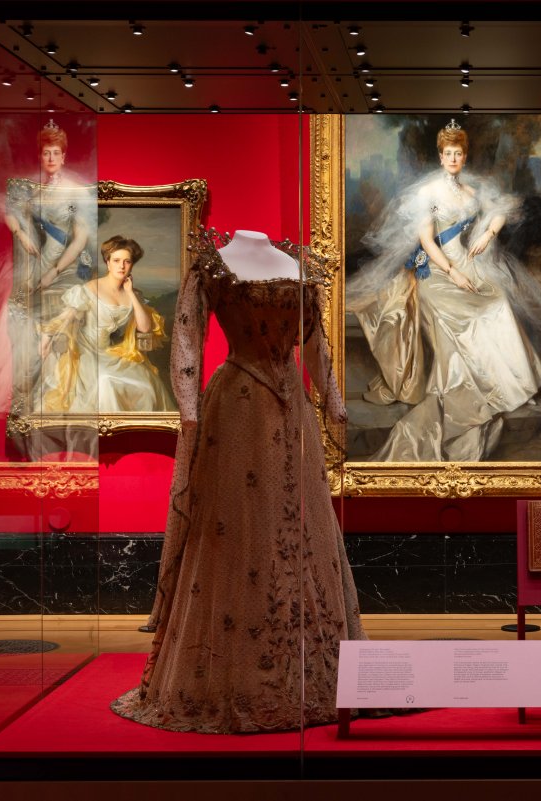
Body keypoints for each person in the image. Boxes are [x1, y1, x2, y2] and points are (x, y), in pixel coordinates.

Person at [112, 230, 365, 733]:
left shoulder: (299, 268)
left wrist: (333, 401)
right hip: (236, 408)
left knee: (299, 527)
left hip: (292, 408)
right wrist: (188, 409)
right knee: (236, 533)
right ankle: (233, 676)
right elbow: (186, 337)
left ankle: (314, 674)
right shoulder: (212, 266)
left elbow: (313, 344)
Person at [347, 119, 541, 461]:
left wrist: (488, 234)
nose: (454, 159)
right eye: (448, 153)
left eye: (459, 153)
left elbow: (500, 211)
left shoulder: (472, 190)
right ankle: (487, 388)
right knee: (465, 314)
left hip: (469, 264)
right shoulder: (428, 193)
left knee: (498, 302)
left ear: (463, 156)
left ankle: (510, 387)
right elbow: (427, 241)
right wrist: (453, 273)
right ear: (440, 157)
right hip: (437, 271)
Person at [0, 119, 97, 414]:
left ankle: (49, 392)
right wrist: (21, 233)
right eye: (45, 153)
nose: (50, 158)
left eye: (55, 153)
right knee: (15, 315)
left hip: (62, 266)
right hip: (32, 262)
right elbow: (10, 212)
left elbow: (80, 239)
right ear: (41, 156)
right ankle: (3, 388)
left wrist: (55, 270)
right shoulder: (32, 188)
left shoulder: (75, 190)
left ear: (64, 156)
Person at [36, 235, 176, 414]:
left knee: (147, 386)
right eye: (116, 260)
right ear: (107, 262)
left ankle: (135, 433)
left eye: (127, 261)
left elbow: (145, 328)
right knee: (106, 382)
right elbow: (67, 317)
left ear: (132, 265)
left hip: (115, 353)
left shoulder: (134, 294)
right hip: (87, 352)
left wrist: (131, 293)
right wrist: (47, 337)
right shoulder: (89, 289)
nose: (122, 266)